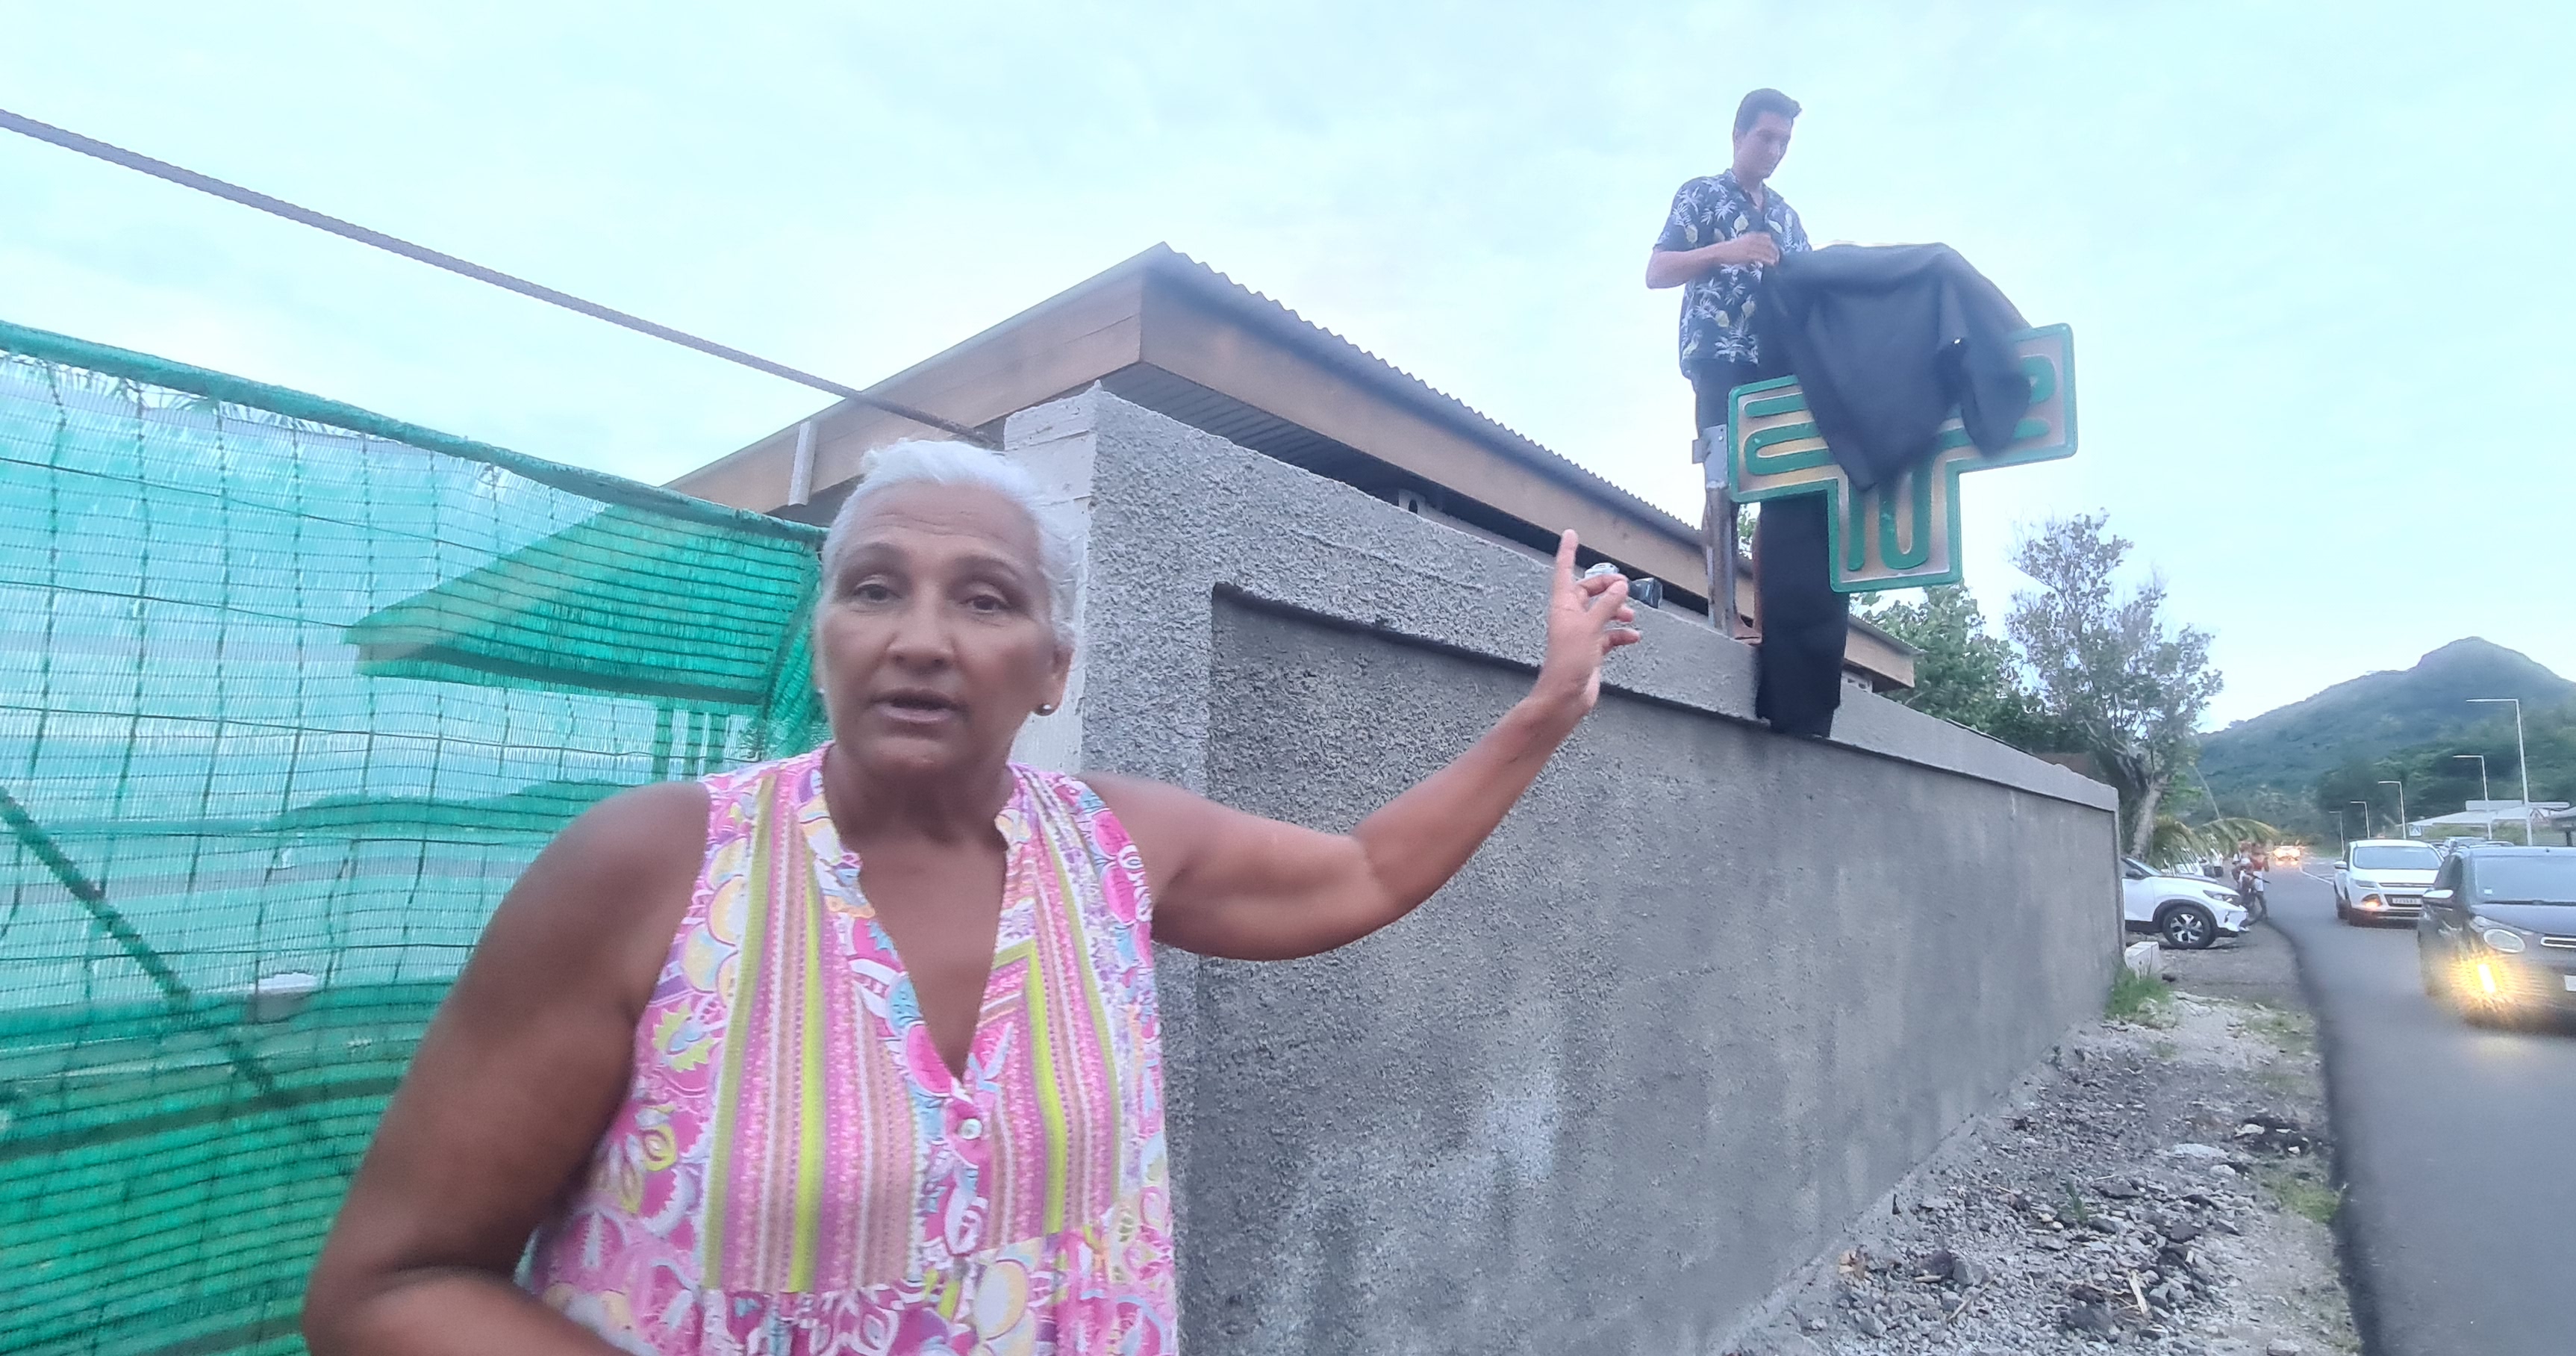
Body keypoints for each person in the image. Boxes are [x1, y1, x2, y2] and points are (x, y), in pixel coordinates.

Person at [302, 440, 1643, 1355]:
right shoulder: (650, 869)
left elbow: (1366, 870)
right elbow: (392, 1288)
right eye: (874, 589)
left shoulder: (1112, 847)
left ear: (1054, 668)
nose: (921, 638)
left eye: (985, 600)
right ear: (821, 641)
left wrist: (1549, 706)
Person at [1647, 87, 1810, 643]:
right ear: (1738, 135)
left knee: (1779, 485)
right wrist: (1727, 251)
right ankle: (1725, 614)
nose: (1775, 151)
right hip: (1718, 355)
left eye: (1784, 142)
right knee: (1725, 481)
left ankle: (1767, 618)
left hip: (1777, 362)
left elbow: (1811, 286)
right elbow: (1657, 271)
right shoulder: (1702, 194)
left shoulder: (1786, 217)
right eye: (1765, 137)